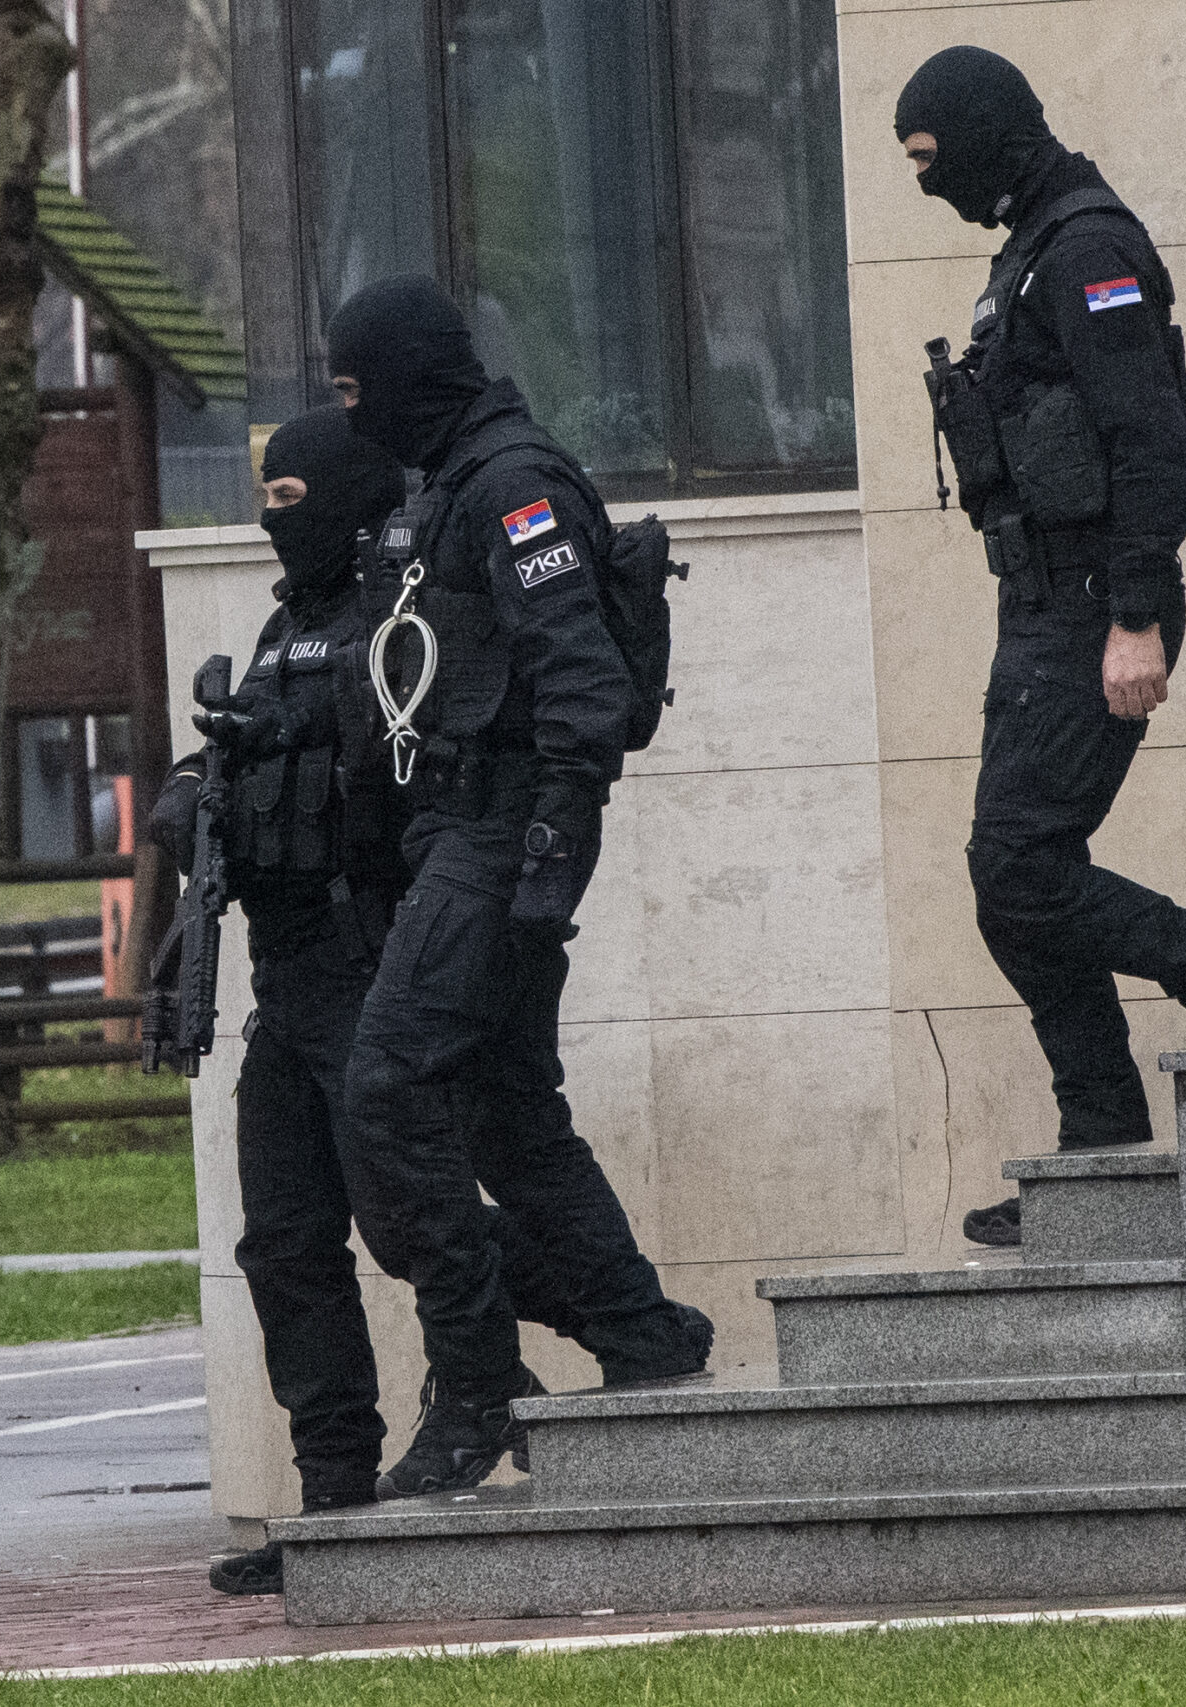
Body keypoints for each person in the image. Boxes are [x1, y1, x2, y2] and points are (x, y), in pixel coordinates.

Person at [152, 406, 709, 1592]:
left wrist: (308, 743)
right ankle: (332, 1495)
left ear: (351, 498)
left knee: (412, 1220)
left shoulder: (399, 616)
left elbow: (414, 768)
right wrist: (199, 777)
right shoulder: (284, 624)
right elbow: (250, 752)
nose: (270, 520)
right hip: (285, 982)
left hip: (372, 959)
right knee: (284, 1246)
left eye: (292, 500)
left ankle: (619, 1326)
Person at [895, 48, 1186, 1247]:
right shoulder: (1029, 245)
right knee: (1010, 885)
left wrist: (1135, 614)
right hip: (1040, 606)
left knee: (1021, 867)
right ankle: (1096, 1151)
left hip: (1095, 603)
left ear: (985, 130)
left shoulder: (1085, 246)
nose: (925, 185)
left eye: (930, 159)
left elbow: (1152, 440)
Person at [319, 276, 710, 1502]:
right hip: (455, 831)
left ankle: (477, 1385)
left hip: (505, 834)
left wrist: (550, 842)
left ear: (411, 377)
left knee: (387, 1090)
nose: (349, 417)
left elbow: (581, 685)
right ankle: (641, 1337)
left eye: (355, 392)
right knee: (504, 1111)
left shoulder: (512, 484)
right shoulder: (443, 486)